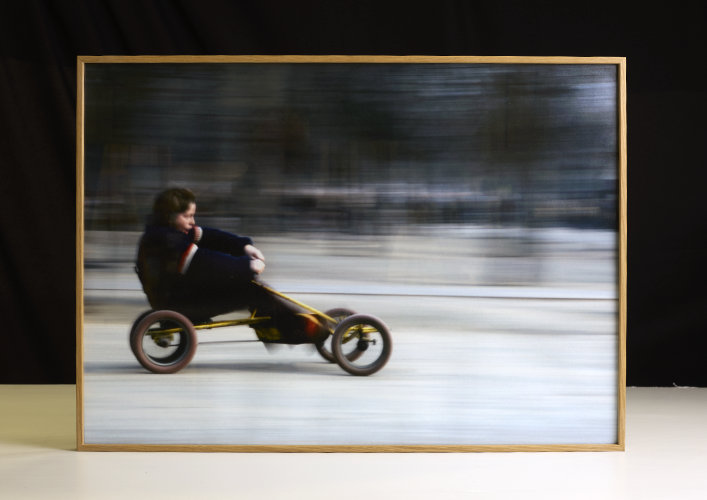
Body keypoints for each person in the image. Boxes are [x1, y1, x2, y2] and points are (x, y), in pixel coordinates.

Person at [135, 187, 325, 344]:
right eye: (187, 216)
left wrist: (243, 246)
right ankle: (301, 329)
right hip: (182, 304)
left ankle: (277, 326)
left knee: (250, 288)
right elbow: (206, 262)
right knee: (250, 289)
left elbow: (210, 237)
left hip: (173, 298)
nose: (192, 221)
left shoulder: (163, 233)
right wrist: (247, 267)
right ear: (170, 216)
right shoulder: (169, 241)